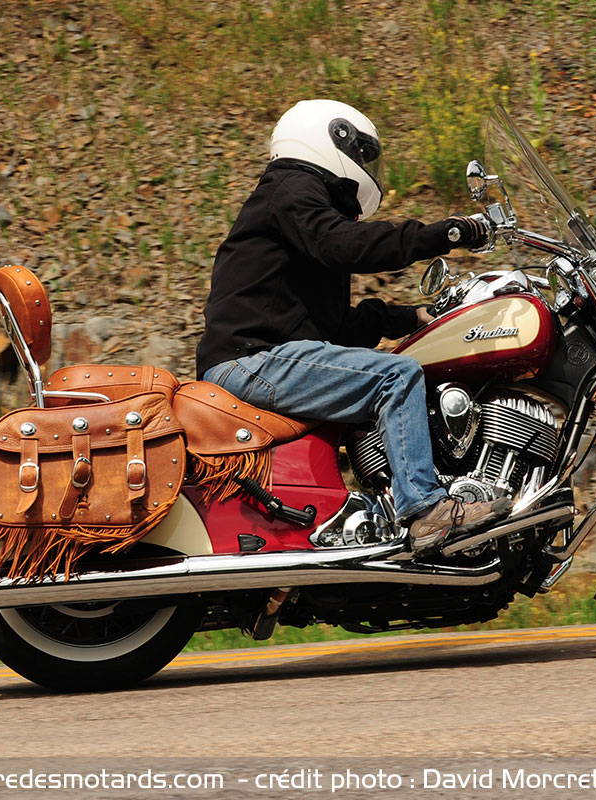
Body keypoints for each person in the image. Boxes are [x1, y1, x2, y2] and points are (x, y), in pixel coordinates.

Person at [195, 99, 511, 556]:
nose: (367, 167)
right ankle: (426, 511)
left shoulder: (297, 208)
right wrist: (449, 233)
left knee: (392, 368)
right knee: (394, 376)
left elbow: (335, 326)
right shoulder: (291, 188)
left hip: (264, 356)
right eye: (363, 154)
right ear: (331, 139)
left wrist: (410, 317)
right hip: (251, 359)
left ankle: (377, 516)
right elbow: (342, 245)